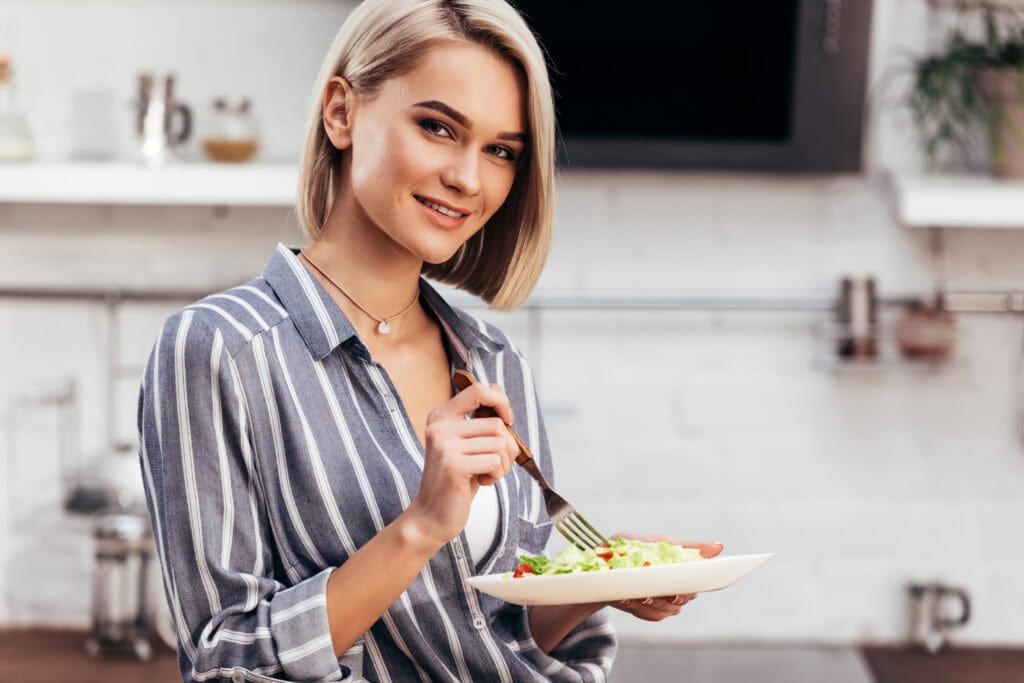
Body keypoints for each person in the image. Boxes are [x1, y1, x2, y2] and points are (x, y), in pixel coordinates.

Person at [137, 1, 723, 681]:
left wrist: (594, 579)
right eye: (438, 127)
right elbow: (222, 659)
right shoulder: (221, 352)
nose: (469, 179)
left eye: (501, 151)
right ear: (341, 113)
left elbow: (501, 633)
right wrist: (418, 526)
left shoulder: (492, 361)